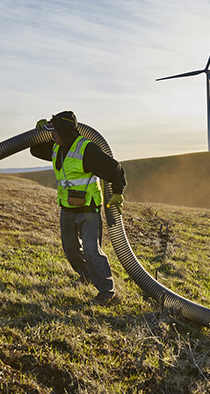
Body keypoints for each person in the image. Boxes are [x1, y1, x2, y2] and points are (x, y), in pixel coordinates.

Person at [29, 111, 127, 305]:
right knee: (71, 250)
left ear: (64, 131)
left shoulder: (86, 149)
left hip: (88, 210)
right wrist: (37, 132)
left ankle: (106, 292)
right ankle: (86, 275)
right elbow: (35, 151)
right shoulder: (56, 147)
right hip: (67, 208)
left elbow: (115, 168)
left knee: (91, 250)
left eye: (54, 131)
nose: (52, 135)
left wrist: (117, 191)